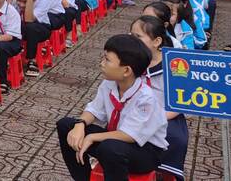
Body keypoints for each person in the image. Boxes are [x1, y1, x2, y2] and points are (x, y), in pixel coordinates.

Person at [56, 34, 167, 181]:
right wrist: (80, 124)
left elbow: (130, 135)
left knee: (109, 148)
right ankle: (82, 178)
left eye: (107, 60)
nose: (102, 63)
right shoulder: (109, 83)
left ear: (126, 71)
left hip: (146, 151)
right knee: (66, 126)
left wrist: (92, 136)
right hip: (115, 139)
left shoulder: (146, 98)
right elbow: (94, 110)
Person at [131, 16, 189, 181]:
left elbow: (180, 102)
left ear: (157, 41)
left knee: (174, 138)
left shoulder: (174, 63)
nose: (132, 40)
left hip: (166, 115)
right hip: (133, 112)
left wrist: (157, 117)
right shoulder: (131, 59)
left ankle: (164, 174)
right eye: (131, 35)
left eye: (138, 37)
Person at [20, 0, 65, 77]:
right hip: (38, 17)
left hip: (54, 16)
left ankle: (32, 60)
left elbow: (30, 19)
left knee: (31, 27)